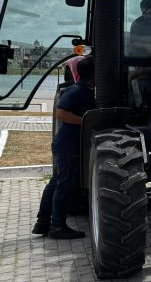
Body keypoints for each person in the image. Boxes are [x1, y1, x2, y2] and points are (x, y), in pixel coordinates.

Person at [33, 56, 95, 239]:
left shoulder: (83, 90)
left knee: (56, 183)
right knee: (63, 186)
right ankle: (57, 226)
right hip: (68, 146)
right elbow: (61, 113)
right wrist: (85, 121)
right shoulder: (76, 91)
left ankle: (42, 223)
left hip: (64, 145)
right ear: (93, 74)